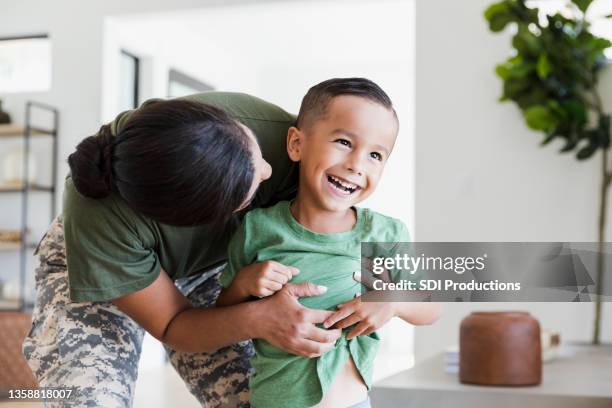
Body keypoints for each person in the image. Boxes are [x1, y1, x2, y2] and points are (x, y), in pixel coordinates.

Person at [23, 92, 343, 408]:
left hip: (216, 264)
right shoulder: (99, 220)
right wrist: (258, 318)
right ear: (199, 220)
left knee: (262, 400)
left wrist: (390, 294)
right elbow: (172, 323)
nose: (268, 171)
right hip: (89, 266)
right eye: (250, 193)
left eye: (257, 155)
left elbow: (363, 195)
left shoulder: (275, 134)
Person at [217, 78, 442, 408]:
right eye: (344, 142)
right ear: (296, 144)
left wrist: (392, 303)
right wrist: (243, 284)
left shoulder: (382, 235)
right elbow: (224, 314)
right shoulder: (258, 228)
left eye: (376, 155)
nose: (356, 164)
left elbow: (432, 307)